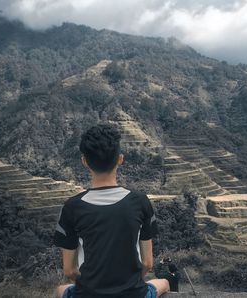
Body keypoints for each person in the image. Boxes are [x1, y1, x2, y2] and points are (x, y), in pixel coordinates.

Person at [54, 124, 170, 298]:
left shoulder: (72, 207)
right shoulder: (139, 202)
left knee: (60, 290)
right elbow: (147, 263)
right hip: (133, 293)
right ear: (120, 159)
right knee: (165, 283)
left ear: (84, 161)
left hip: (88, 294)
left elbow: (69, 270)